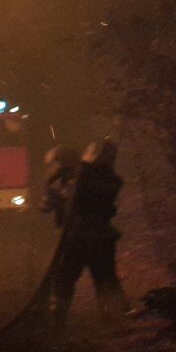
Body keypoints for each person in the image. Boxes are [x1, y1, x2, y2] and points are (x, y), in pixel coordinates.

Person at [50, 138, 126, 330]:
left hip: (80, 236)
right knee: (105, 279)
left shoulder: (83, 175)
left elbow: (75, 200)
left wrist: (58, 195)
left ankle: (58, 321)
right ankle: (114, 319)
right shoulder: (109, 179)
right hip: (100, 237)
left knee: (65, 278)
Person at [41, 145, 80, 228]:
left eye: (51, 164)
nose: (49, 168)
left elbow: (45, 208)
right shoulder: (84, 176)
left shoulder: (57, 184)